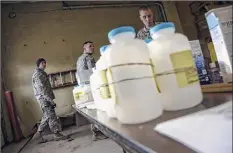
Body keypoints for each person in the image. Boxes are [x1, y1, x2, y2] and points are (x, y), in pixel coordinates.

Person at [76, 41, 107, 141]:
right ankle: (97, 133)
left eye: (93, 46)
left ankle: (97, 132)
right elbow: (93, 72)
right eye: (90, 46)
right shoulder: (89, 58)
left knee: (92, 109)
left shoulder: (80, 59)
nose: (93, 47)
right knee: (96, 108)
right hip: (91, 85)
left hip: (84, 86)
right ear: (84, 48)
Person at [32, 58, 68, 142]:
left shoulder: (42, 73)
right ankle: (57, 134)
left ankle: (38, 134)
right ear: (38, 64)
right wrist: (50, 100)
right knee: (51, 116)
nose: (44, 64)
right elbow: (42, 90)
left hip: (45, 98)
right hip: (44, 99)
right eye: (42, 63)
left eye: (45, 63)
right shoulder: (38, 75)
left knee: (47, 116)